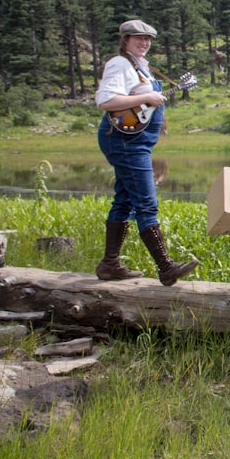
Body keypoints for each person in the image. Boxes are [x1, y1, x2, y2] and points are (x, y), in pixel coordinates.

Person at [95, 19, 198, 286]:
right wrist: (146, 98)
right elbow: (106, 101)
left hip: (135, 143)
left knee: (124, 201)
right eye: (138, 38)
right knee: (146, 204)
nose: (144, 43)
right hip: (126, 143)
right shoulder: (119, 64)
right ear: (126, 40)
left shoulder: (141, 67)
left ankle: (110, 264)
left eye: (148, 39)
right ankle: (166, 267)